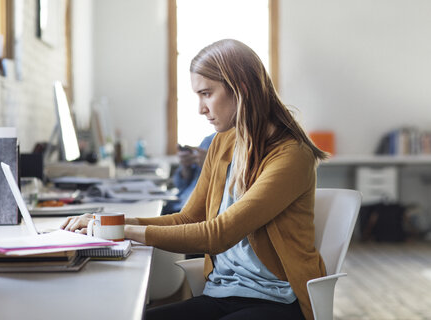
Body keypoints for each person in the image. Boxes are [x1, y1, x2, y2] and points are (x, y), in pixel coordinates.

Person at [61, 39, 329, 320]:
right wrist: (109, 223)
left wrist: (119, 231)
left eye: (206, 94)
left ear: (241, 89)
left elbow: (219, 234)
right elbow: (187, 218)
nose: (201, 108)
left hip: (278, 302)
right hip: (221, 296)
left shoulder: (292, 155)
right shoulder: (223, 142)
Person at [161, 133, 216, 215]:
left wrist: (212, 165)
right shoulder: (208, 141)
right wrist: (186, 167)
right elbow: (181, 185)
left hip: (196, 213)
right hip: (178, 205)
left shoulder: (238, 147)